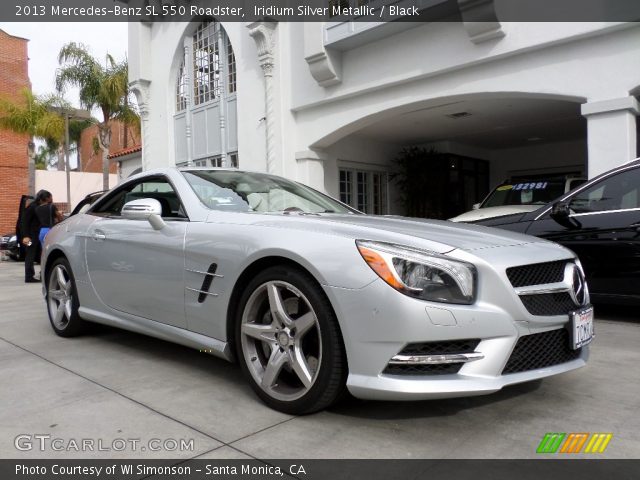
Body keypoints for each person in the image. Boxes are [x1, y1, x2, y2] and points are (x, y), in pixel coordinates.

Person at [21, 190, 50, 283]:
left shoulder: (40, 206)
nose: (50, 202)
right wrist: (25, 236)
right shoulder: (32, 207)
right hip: (30, 236)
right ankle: (29, 277)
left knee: (39, 254)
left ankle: (42, 275)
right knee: (30, 254)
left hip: (38, 235)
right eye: (48, 200)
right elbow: (24, 222)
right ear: (42, 199)